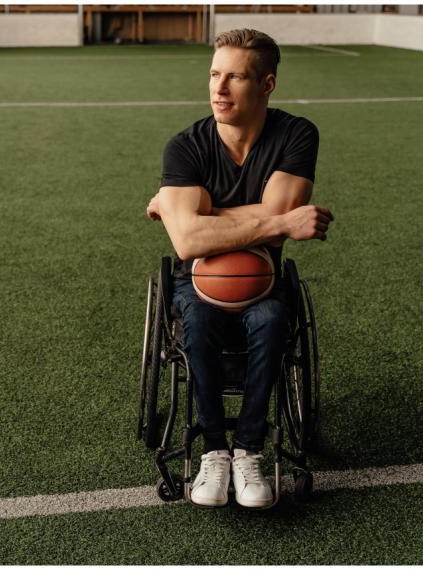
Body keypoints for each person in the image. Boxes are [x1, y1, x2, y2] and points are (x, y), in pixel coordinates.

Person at [146, 28, 334, 508]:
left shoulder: (297, 134)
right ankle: (214, 450)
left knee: (272, 321)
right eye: (214, 74)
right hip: (197, 279)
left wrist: (196, 212)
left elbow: (267, 221)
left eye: (235, 77)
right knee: (197, 322)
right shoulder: (185, 146)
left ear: (267, 84)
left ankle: (248, 450)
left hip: (263, 279)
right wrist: (278, 221)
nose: (220, 88)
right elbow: (189, 243)